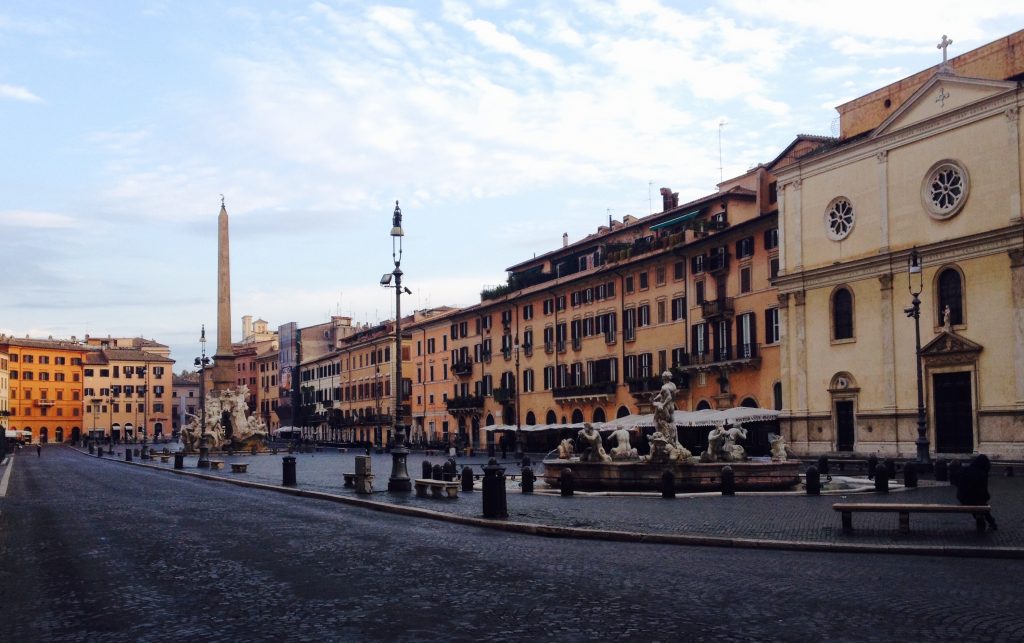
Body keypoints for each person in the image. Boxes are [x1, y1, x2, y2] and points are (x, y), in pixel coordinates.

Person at [957, 453, 997, 531]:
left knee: (978, 504)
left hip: (962, 498)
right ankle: (991, 522)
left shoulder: (965, 470)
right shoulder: (982, 474)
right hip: (975, 500)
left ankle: (988, 521)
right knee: (981, 505)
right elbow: (983, 491)